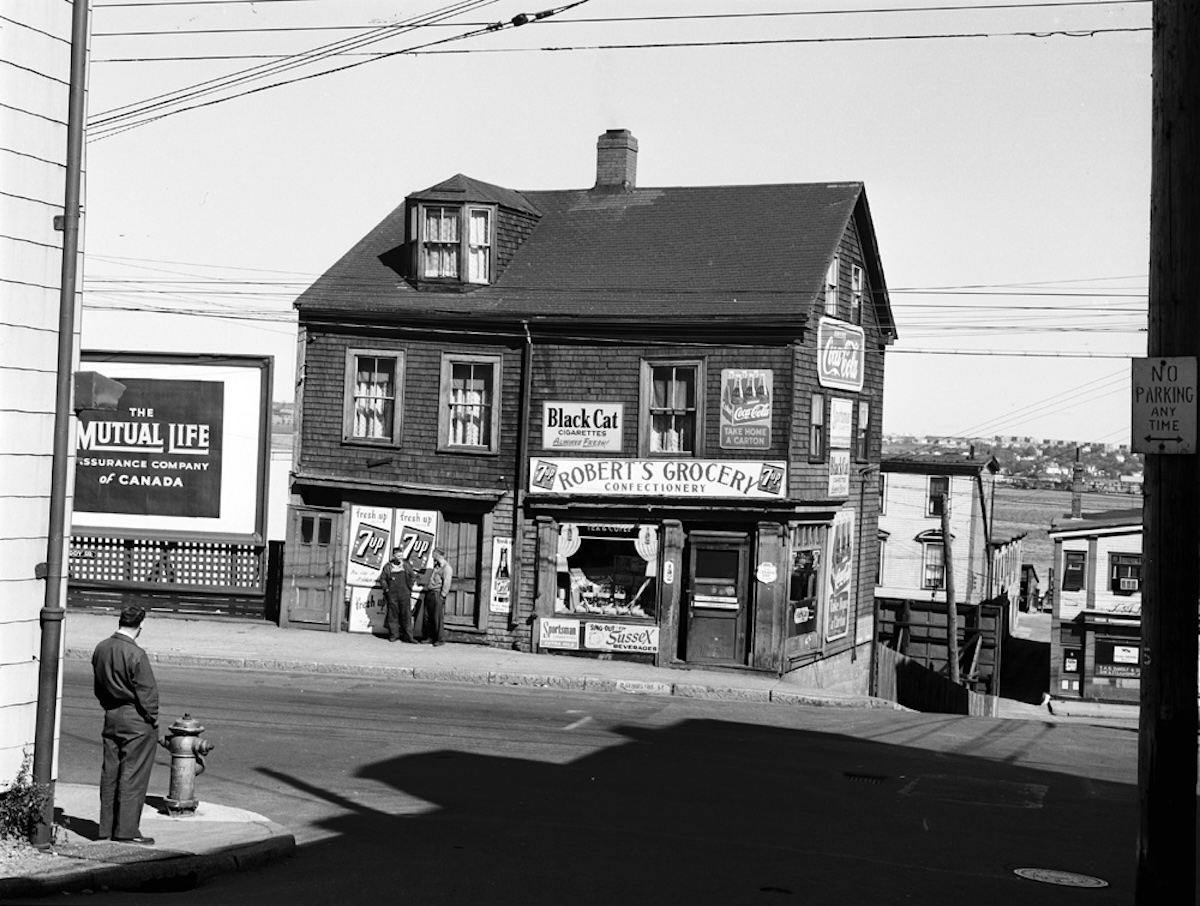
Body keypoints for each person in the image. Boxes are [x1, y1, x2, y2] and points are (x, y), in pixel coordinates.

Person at [91, 604, 160, 845]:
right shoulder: (136, 654)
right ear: (140, 626)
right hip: (136, 721)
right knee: (133, 776)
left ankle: (106, 828)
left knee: (110, 774)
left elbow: (99, 687)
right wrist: (152, 720)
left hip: (111, 716)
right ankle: (127, 831)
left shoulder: (101, 648)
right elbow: (148, 694)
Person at [380, 548, 416, 643]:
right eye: (398, 556)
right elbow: (383, 579)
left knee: (406, 615)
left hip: (404, 594)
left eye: (401, 556)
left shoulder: (406, 565)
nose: (400, 558)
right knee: (393, 615)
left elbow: (413, 576)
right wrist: (386, 589)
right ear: (394, 556)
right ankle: (393, 635)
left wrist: (409, 587)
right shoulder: (388, 567)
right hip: (392, 595)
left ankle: (408, 636)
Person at [422, 548, 453, 646]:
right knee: (428, 616)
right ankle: (430, 637)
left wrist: (443, 595)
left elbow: (447, 583)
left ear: (437, 555)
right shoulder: (436, 566)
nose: (432, 556)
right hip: (430, 592)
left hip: (437, 593)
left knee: (437, 617)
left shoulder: (446, 568)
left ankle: (440, 639)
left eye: (433, 554)